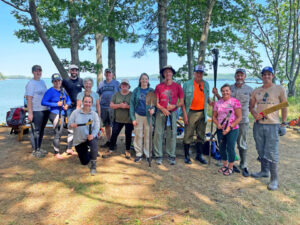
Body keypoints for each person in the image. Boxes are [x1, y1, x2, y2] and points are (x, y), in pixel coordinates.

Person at [250, 66, 287, 190]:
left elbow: (284, 106)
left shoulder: (279, 89)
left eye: (269, 74)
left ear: (273, 76)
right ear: (262, 76)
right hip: (259, 125)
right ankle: (264, 171)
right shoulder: (256, 91)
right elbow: (251, 107)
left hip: (273, 125)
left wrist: (284, 123)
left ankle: (274, 179)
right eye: (264, 74)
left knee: (271, 152)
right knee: (260, 149)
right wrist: (255, 115)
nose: (266, 76)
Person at [212, 69, 253, 176]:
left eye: (241, 75)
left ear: (244, 76)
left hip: (242, 120)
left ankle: (243, 163)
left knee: (241, 143)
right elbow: (224, 100)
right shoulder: (230, 88)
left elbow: (253, 105)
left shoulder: (250, 90)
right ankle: (226, 163)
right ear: (235, 76)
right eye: (237, 75)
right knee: (225, 145)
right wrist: (216, 94)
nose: (239, 77)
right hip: (225, 122)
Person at [153, 65, 184, 165]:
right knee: (158, 133)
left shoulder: (177, 86)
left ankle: (171, 155)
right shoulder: (159, 87)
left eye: (169, 72)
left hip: (172, 112)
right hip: (161, 112)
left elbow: (182, 101)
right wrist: (163, 108)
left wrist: (174, 106)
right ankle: (158, 155)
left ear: (172, 74)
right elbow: (155, 102)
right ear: (163, 74)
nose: (168, 74)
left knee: (172, 133)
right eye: (166, 72)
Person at [182, 65, 212, 165]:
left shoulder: (206, 84)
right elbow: (182, 101)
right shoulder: (187, 84)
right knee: (188, 134)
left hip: (202, 112)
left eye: (201, 73)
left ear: (203, 74)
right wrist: (184, 115)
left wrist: (211, 102)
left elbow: (207, 97)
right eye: (197, 72)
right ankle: (186, 156)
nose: (199, 74)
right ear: (194, 73)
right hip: (190, 112)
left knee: (201, 134)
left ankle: (199, 155)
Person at [212, 84, 242, 176]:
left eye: (227, 90)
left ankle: (230, 167)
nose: (225, 92)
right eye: (223, 91)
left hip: (232, 129)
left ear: (230, 91)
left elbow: (239, 117)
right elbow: (214, 116)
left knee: (230, 148)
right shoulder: (218, 103)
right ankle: (225, 165)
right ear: (221, 92)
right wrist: (218, 125)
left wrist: (230, 127)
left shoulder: (235, 102)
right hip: (221, 129)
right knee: (221, 148)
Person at [68, 95, 100, 175]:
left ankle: (93, 163)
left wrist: (92, 135)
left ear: (92, 103)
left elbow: (96, 127)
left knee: (93, 142)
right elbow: (69, 124)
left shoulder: (94, 114)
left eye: (89, 102)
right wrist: (71, 125)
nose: (87, 103)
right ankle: (92, 153)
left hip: (89, 138)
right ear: (82, 102)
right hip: (79, 140)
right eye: (86, 101)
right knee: (84, 162)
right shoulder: (75, 113)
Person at [41, 73, 71, 159]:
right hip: (55, 114)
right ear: (53, 82)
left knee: (71, 129)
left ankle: (69, 148)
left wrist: (67, 105)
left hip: (64, 114)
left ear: (61, 81)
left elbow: (69, 100)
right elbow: (43, 102)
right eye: (55, 81)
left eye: (59, 80)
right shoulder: (50, 91)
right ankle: (56, 152)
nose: (57, 82)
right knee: (58, 132)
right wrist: (55, 104)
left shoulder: (63, 90)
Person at [102, 79, 133, 158]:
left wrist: (126, 106)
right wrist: (119, 105)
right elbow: (111, 105)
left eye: (126, 85)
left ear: (129, 86)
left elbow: (134, 106)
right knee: (114, 134)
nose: (124, 86)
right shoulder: (116, 94)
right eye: (123, 85)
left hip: (129, 119)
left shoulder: (132, 95)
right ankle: (111, 149)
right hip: (118, 119)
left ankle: (127, 150)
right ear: (120, 86)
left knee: (128, 135)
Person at [25, 65, 49, 158]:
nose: (38, 72)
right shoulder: (31, 83)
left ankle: (39, 148)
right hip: (36, 110)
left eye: (40, 71)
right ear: (33, 72)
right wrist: (30, 113)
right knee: (36, 131)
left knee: (42, 130)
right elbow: (29, 99)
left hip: (45, 110)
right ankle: (35, 150)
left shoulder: (42, 82)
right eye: (36, 71)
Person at [130, 73, 155, 162]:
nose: (144, 80)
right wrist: (133, 118)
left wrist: (153, 110)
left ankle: (148, 154)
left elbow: (154, 103)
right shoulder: (136, 91)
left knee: (148, 135)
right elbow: (132, 105)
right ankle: (139, 154)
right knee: (138, 135)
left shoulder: (151, 90)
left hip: (148, 116)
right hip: (138, 115)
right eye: (142, 79)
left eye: (146, 79)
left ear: (148, 80)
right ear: (140, 80)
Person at [62, 64, 84, 155]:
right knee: (70, 127)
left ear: (77, 71)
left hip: (79, 107)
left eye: (76, 70)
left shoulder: (81, 81)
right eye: (72, 70)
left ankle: (80, 146)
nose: (74, 72)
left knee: (80, 126)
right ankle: (69, 148)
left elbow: (86, 90)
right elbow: (62, 92)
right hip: (70, 107)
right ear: (69, 71)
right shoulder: (65, 81)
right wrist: (66, 102)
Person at [97, 68, 120, 147]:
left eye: (109, 73)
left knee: (114, 125)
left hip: (113, 108)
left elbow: (120, 94)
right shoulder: (101, 84)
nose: (108, 75)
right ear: (104, 74)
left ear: (112, 75)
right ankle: (109, 141)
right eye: (106, 73)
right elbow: (98, 95)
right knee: (107, 125)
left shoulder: (117, 83)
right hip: (103, 107)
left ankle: (114, 142)